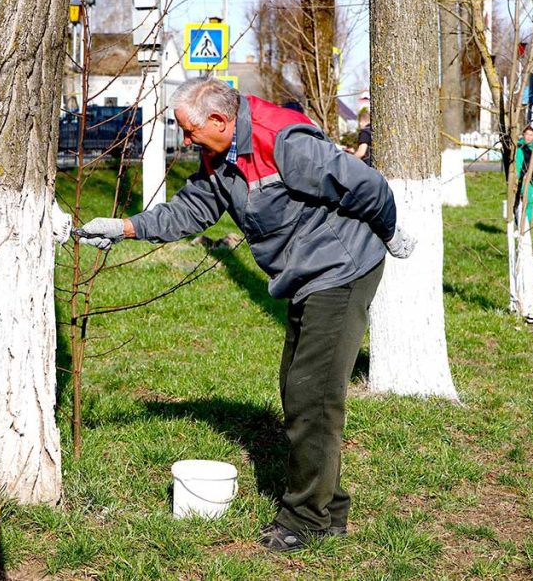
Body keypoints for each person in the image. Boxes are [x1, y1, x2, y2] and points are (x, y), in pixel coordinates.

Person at [75, 78, 415, 552]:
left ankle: (305, 520)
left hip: (343, 267)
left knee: (312, 394)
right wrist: (125, 227)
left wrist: (390, 232)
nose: (187, 141)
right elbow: (192, 209)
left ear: (219, 119)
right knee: (298, 389)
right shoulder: (220, 154)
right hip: (306, 273)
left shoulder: (282, 141)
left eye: (190, 131)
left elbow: (367, 184)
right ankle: (329, 507)